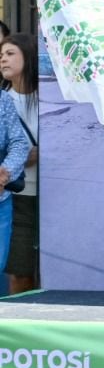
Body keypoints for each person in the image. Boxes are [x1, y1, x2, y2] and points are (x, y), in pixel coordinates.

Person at [2, 35, 41, 293]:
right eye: (0, 55)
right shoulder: (4, 101)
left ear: (28, 56)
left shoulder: (47, 97)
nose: (3, 58)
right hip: (20, 195)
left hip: (57, 195)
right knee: (19, 270)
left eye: (10, 53)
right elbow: (13, 146)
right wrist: (22, 160)